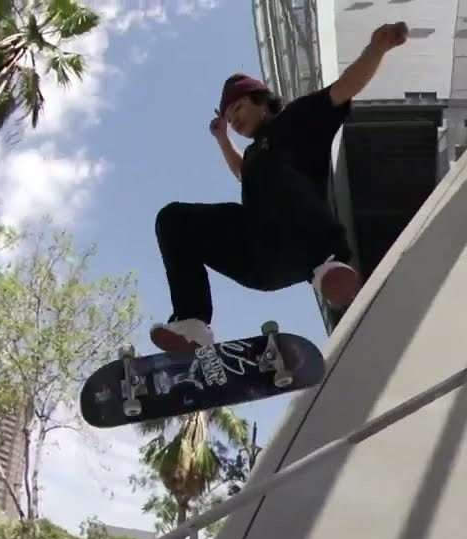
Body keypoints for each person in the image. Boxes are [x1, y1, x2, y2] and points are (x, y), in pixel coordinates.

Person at [149, 21, 410, 352]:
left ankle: (329, 262)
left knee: (273, 171)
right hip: (259, 256)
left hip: (301, 245)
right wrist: (222, 139)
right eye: (229, 118)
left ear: (261, 100)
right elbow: (243, 173)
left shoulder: (296, 118)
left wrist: (378, 47)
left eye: (238, 109)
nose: (235, 121)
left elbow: (345, 87)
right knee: (173, 219)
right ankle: (192, 324)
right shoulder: (255, 153)